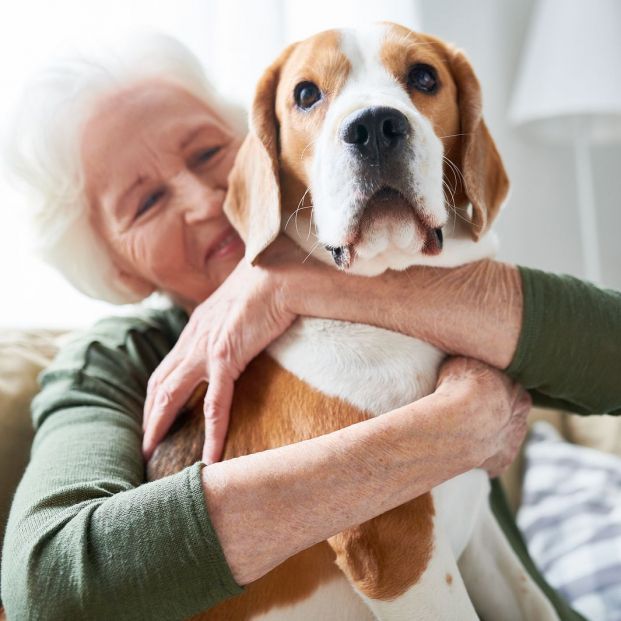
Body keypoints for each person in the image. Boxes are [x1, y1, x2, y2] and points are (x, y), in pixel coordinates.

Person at [1, 32, 613, 621]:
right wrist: (456, 429)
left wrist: (290, 283)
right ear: (115, 265)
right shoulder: (110, 363)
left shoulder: (390, 255)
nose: (202, 200)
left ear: (264, 151)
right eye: (146, 203)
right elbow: (49, 589)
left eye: (210, 153)